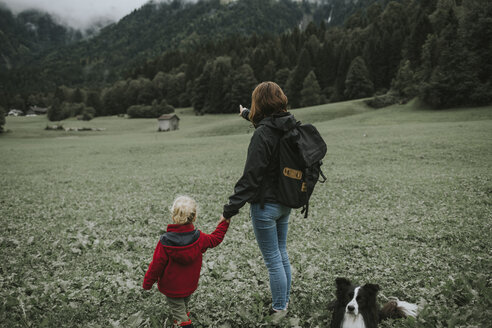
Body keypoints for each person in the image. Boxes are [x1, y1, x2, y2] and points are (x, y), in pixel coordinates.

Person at [221, 81, 296, 315]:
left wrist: (229, 210)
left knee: (273, 259)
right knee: (281, 254)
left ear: (259, 104)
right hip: (286, 202)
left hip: (266, 206)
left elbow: (250, 178)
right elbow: (267, 125)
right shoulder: (290, 125)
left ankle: (279, 309)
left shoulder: (263, 134)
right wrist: (246, 114)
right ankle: (284, 303)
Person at [143, 196, 230, 328]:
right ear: (194, 217)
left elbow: (156, 265)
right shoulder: (199, 238)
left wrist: (147, 283)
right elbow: (215, 239)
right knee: (183, 307)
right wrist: (224, 222)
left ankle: (183, 324)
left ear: (173, 216)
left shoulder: (165, 241)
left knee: (180, 313)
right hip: (189, 284)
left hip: (172, 287)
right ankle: (181, 321)